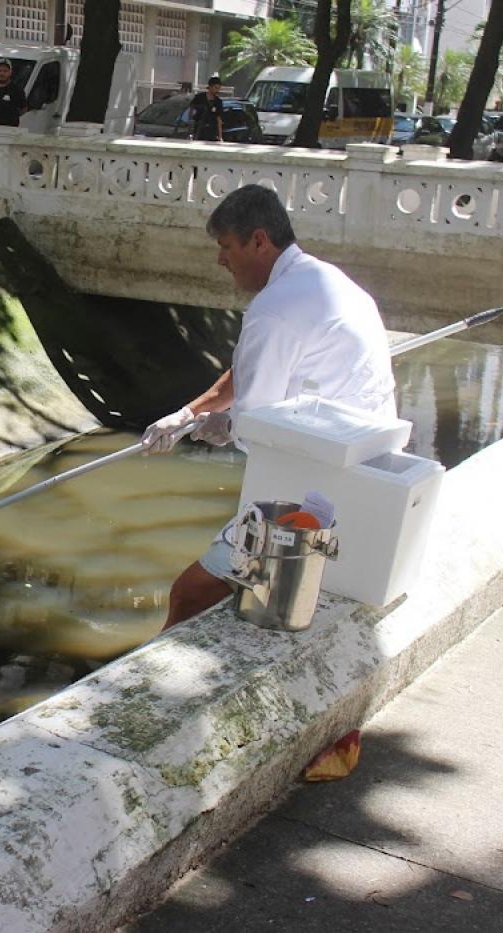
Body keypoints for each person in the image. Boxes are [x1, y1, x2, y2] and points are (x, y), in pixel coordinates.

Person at [141, 184, 396, 630]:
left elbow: (255, 423)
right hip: (361, 462)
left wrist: (225, 426)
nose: (221, 259)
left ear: (259, 240)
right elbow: (245, 373)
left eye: (225, 246)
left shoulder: (274, 309)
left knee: (190, 593)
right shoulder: (325, 281)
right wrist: (189, 413)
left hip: (317, 484)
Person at [188, 75, 224, 142]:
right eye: (215, 88)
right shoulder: (199, 98)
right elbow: (191, 109)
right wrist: (190, 123)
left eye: (219, 88)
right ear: (210, 86)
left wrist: (220, 136)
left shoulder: (218, 101)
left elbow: (219, 119)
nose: (217, 90)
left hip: (212, 131)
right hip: (199, 130)